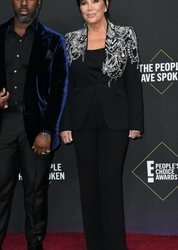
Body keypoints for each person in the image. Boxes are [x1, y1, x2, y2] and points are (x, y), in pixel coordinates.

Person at [0, 0, 68, 249]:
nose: (24, 3)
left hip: (36, 129)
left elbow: (59, 89)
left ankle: (35, 245)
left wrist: (47, 130)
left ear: (39, 3)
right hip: (2, 125)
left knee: (36, 192)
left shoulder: (53, 41)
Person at [60, 0, 143, 249]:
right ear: (80, 9)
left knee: (109, 180)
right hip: (81, 120)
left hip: (115, 120)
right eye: (83, 3)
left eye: (95, 0)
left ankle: (115, 245)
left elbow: (133, 80)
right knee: (88, 183)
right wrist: (64, 123)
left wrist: (135, 121)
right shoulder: (70, 40)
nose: (89, 7)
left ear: (106, 5)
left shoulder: (126, 35)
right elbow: (65, 86)